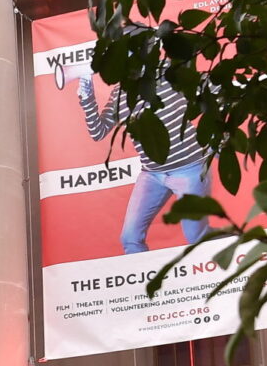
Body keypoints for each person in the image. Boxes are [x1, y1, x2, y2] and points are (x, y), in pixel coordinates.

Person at [75, 60, 213, 254]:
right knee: (130, 239)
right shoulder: (120, 92)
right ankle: (146, 284)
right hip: (152, 174)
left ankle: (240, 249)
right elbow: (98, 131)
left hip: (190, 168)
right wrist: (87, 98)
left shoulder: (168, 73)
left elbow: (212, 87)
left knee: (196, 237)